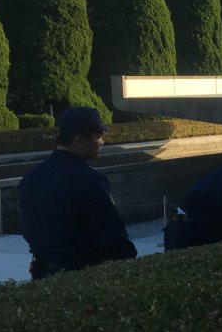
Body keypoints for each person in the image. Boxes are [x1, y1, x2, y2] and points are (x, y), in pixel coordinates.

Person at [18, 106, 137, 280]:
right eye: (98, 136)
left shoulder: (31, 178)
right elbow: (111, 235)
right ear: (80, 140)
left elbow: (30, 229)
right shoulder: (90, 180)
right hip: (83, 275)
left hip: (42, 273)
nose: (102, 142)